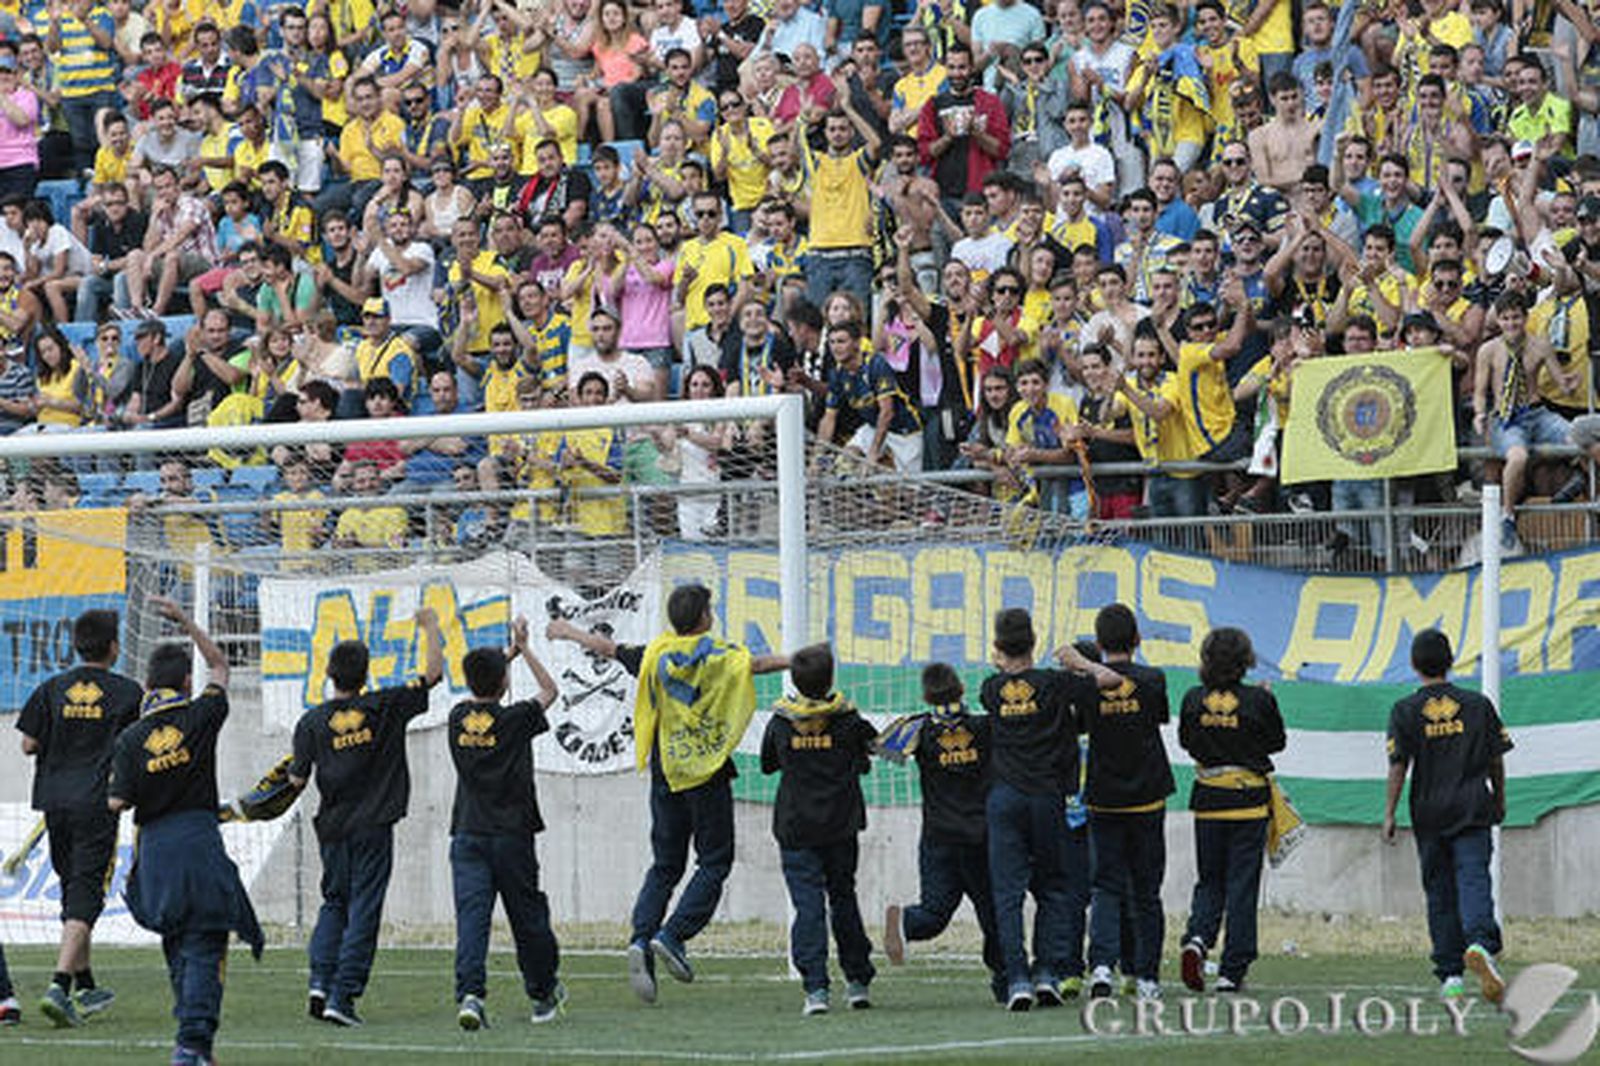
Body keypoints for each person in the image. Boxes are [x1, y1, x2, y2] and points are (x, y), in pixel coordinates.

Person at [107, 596, 264, 1066]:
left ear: (147, 686)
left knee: (177, 942)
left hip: (154, 851)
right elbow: (221, 664)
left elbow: (117, 802)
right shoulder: (200, 716)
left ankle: (197, 1048)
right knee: (205, 944)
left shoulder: (130, 738)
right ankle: (192, 1043)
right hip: (197, 843)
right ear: (186, 682)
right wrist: (184, 620)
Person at [626, 583, 789, 1003]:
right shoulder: (717, 656)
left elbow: (611, 649)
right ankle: (674, 934)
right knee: (714, 861)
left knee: (664, 865)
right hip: (705, 773)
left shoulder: (655, 654)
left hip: (666, 769)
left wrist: (569, 634)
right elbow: (755, 665)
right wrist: (797, 659)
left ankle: (641, 939)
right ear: (703, 617)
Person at [287, 608, 445, 1027]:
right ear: (366, 673)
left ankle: (320, 983)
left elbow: (297, 780)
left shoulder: (311, 721)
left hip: (332, 828)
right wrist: (430, 627)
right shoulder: (385, 705)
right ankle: (344, 995)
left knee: (334, 902)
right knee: (364, 908)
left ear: (327, 672)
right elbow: (432, 674)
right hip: (372, 825)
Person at [981, 607, 1119, 1011]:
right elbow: (1110, 681)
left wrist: (1003, 663)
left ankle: (1017, 979)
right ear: (1035, 641)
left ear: (997, 647)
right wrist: (1081, 663)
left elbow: (1003, 677)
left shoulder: (990, 690)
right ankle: (1045, 973)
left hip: (1004, 798)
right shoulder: (1057, 684)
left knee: (1007, 894)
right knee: (1053, 888)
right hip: (1045, 797)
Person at [16, 609, 143, 1027]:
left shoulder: (51, 688)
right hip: (96, 804)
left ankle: (86, 985)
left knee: (73, 889)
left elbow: (28, 745)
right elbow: (137, 748)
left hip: (54, 801)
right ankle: (59, 986)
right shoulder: (128, 693)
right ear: (114, 647)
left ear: (75, 645)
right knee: (86, 893)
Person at [449, 615, 566, 1030]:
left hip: (467, 834)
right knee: (527, 917)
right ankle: (542, 995)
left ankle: (471, 994)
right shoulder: (515, 719)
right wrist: (525, 648)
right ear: (503, 682)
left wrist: (507, 656)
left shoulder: (457, 719)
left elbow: (485, 684)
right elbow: (550, 691)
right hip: (512, 836)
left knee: (472, 920)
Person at [1383, 628, 1512, 1004]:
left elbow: (1398, 765)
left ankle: (1451, 975)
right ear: (1451, 661)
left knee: (1439, 892)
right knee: (1473, 880)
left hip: (1429, 810)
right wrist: (1500, 798)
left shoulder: (1405, 710)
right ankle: (1480, 945)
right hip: (1472, 805)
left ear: (1413, 664)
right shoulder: (1477, 705)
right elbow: (1495, 758)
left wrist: (1389, 813)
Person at [760, 644, 879, 1016]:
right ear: (831, 679)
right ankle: (857, 981)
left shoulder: (781, 722)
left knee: (807, 904)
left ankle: (815, 988)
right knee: (843, 897)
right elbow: (868, 757)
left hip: (796, 827)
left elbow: (768, 764)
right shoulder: (849, 720)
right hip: (840, 825)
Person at [879, 663, 1005, 1005]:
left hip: (938, 838)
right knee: (994, 916)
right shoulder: (984, 727)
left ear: (925, 695)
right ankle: (1005, 979)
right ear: (962, 688)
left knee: (934, 914)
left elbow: (881, 748)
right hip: (981, 838)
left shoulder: (918, 727)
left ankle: (905, 921)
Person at [1177, 627, 1286, 995]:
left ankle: (1197, 938)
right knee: (1241, 886)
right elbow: (1277, 743)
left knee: (1210, 880)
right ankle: (1231, 969)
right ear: (1245, 661)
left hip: (1207, 800)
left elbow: (1187, 743)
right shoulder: (1258, 699)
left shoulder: (1193, 699)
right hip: (1248, 803)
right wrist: (1266, 705)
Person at [1081, 604, 1174, 1001]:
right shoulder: (1153, 679)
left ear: (1100, 644)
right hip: (1147, 796)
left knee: (1105, 886)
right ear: (1137, 640)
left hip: (1105, 796)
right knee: (1146, 890)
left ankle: (1102, 965)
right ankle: (1147, 976)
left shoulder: (1089, 685)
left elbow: (1081, 725)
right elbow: (1160, 718)